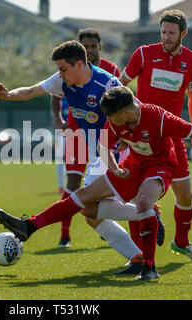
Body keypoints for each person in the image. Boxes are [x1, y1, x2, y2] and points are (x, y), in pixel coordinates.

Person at [0, 86, 192, 280]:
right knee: (85, 201)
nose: (108, 120)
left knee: (143, 201)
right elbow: (104, 147)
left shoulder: (158, 118)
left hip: (160, 166)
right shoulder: (117, 121)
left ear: (127, 112)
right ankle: (30, 227)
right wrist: (114, 167)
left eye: (111, 116)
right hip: (132, 165)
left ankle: (149, 267)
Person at [0, 40, 145, 270]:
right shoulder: (64, 81)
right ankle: (139, 252)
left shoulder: (107, 85)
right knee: (89, 212)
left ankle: (30, 225)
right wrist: (8, 95)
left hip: (119, 153)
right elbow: (32, 90)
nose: (59, 75)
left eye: (63, 69)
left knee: (82, 198)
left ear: (79, 65)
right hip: (99, 154)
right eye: (58, 70)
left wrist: (127, 136)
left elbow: (139, 112)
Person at [119, 9, 192, 262]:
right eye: (164, 32)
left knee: (185, 195)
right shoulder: (144, 54)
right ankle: (138, 256)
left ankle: (182, 243)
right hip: (141, 137)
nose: (167, 37)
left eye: (172, 33)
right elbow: (119, 85)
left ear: (183, 34)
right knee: (138, 196)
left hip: (172, 137)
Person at [50, 28, 125, 248]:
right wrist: (59, 120)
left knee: (112, 182)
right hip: (76, 132)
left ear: (99, 47)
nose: (91, 50)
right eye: (87, 46)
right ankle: (65, 235)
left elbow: (122, 102)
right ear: (81, 48)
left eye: (94, 46)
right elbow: (55, 96)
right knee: (73, 183)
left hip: (105, 139)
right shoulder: (70, 70)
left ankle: (110, 225)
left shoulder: (111, 71)